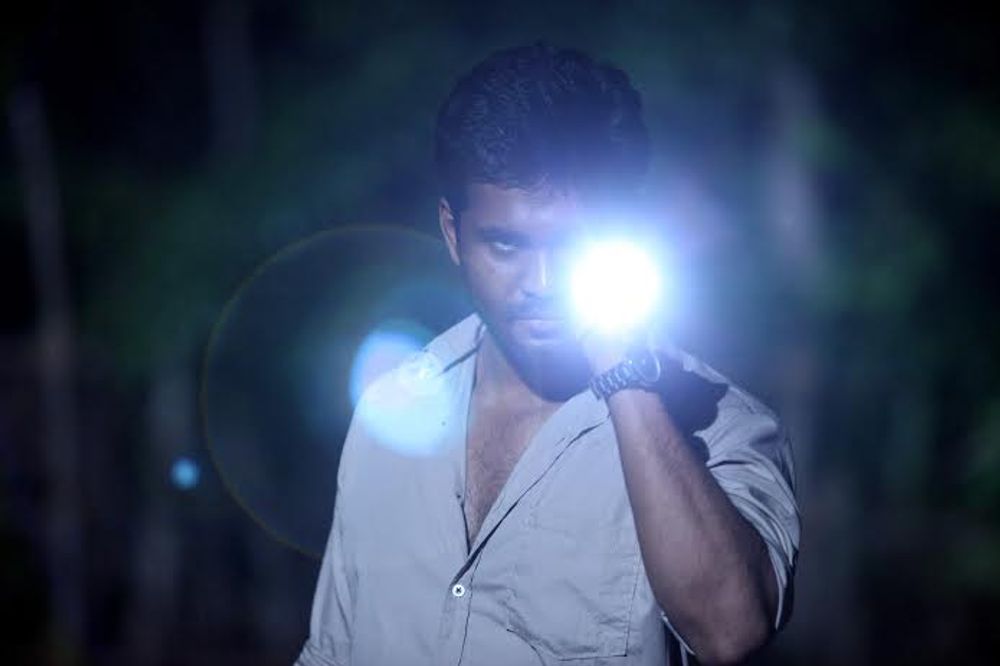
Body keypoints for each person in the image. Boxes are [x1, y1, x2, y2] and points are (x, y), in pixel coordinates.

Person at [296, 43, 799, 666]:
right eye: (506, 244)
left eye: (570, 245)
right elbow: (332, 650)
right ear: (453, 233)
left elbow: (731, 632)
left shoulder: (721, 424)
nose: (540, 282)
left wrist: (623, 373)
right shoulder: (392, 407)